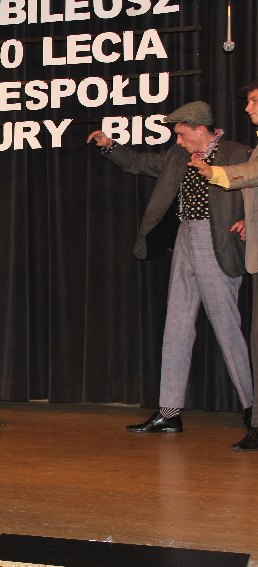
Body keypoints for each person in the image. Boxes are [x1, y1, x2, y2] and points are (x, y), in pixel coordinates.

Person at [87, 101, 253, 439]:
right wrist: (110, 146)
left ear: (200, 129)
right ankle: (169, 412)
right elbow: (139, 162)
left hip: (217, 240)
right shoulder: (178, 156)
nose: (177, 141)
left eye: (181, 134)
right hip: (185, 236)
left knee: (227, 327)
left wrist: (249, 221)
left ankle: (253, 408)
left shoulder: (237, 152)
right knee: (176, 325)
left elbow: (253, 186)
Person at [189, 81, 258, 451]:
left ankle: (253, 416)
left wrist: (215, 173)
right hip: (244, 247)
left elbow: (251, 173)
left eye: (254, 101)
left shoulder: (238, 152)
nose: (248, 108)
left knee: (242, 333)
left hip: (228, 246)